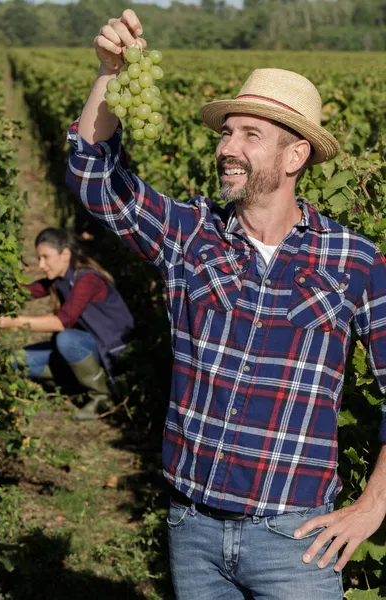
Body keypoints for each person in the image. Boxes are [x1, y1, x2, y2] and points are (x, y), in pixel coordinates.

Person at [66, 10, 386, 599]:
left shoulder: (355, 261)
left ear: (295, 158)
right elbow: (94, 179)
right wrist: (109, 76)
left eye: (249, 135)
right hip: (193, 529)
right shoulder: (192, 233)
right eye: (225, 132)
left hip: (297, 538)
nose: (226, 148)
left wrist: (373, 507)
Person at [0, 227, 134, 421]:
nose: (41, 264)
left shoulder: (87, 279)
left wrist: (15, 322)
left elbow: (63, 321)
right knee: (16, 361)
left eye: (46, 257)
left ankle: (102, 397)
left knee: (66, 339)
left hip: (110, 350)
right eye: (39, 259)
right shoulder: (60, 279)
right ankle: (76, 384)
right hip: (86, 347)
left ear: (65, 253)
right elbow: (28, 291)